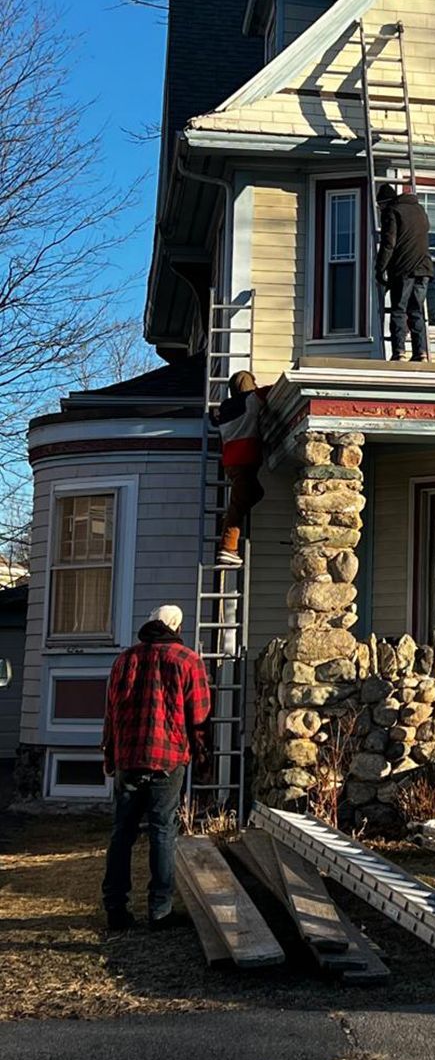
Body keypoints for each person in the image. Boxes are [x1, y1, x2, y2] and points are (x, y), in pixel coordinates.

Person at [100, 603, 212, 931]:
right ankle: (160, 911)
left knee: (122, 833)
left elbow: (111, 714)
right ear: (176, 626)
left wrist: (110, 757)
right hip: (168, 758)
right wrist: (205, 763)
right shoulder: (188, 661)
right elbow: (200, 718)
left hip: (127, 758)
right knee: (164, 833)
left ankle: (115, 909)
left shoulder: (124, 660)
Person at [374, 182, 434, 363]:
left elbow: (388, 243)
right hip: (424, 269)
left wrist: (380, 268)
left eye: (380, 206)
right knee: (416, 311)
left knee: (399, 311)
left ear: (384, 202)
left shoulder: (391, 212)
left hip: (403, 269)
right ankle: (421, 352)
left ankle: (399, 352)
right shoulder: (419, 210)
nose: (380, 210)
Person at [215, 370, 266, 567]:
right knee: (239, 503)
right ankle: (228, 548)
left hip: (230, 461)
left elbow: (214, 417)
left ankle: (226, 526)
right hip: (246, 459)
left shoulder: (224, 408)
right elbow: (271, 392)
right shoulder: (251, 399)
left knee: (253, 493)